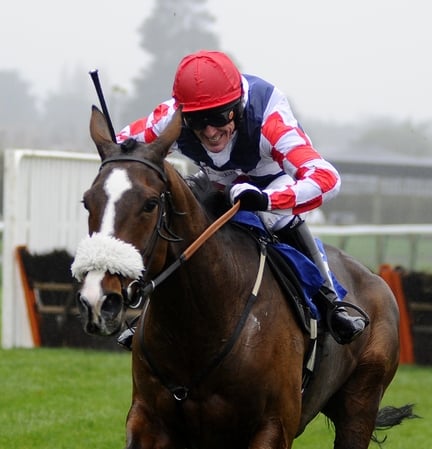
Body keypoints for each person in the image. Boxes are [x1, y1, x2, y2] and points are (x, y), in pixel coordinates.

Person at [114, 50, 367, 349]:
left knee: (278, 218)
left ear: (238, 106)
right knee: (178, 214)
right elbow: (121, 143)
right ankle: (148, 313)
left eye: (219, 117)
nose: (210, 132)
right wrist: (123, 151)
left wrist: (266, 199)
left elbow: (327, 178)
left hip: (271, 182)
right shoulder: (171, 118)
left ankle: (330, 301)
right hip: (218, 183)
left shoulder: (269, 118)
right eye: (198, 120)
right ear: (184, 114)